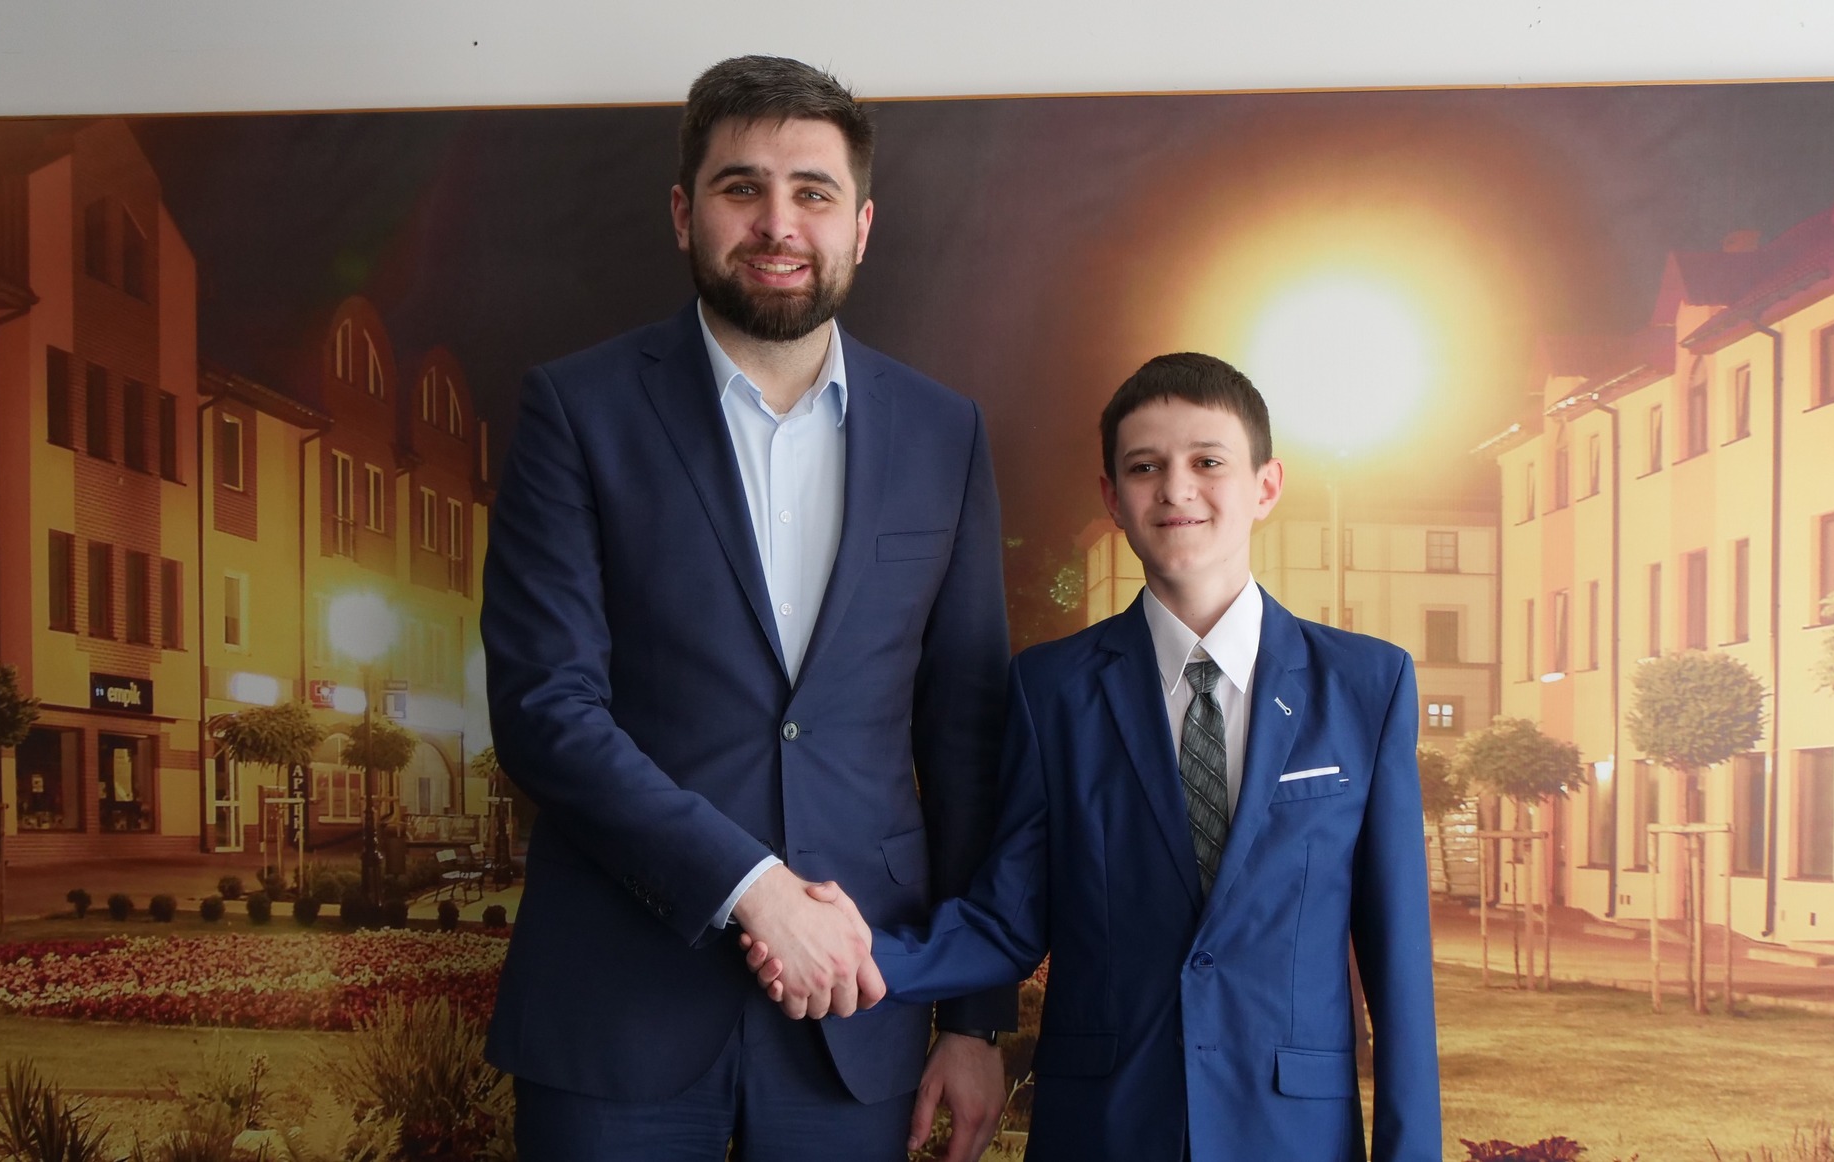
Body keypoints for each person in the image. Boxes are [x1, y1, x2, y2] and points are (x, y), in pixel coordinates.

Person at [481, 54, 1015, 1162]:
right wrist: (754, 888)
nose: (779, 223)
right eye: (742, 188)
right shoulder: (576, 410)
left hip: (857, 1009)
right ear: (685, 213)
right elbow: (544, 708)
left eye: (812, 192)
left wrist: (972, 1019)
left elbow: (964, 739)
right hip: (614, 1005)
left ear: (860, 226)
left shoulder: (944, 433)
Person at [748, 353, 1442, 1161]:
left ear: (1266, 486)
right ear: (1112, 498)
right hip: (1105, 1127)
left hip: (1291, 1134)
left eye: (1207, 462)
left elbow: (1398, 968)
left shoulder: (1365, 686)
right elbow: (1006, 922)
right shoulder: (1052, 692)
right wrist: (855, 951)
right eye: (1145, 467)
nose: (1176, 489)